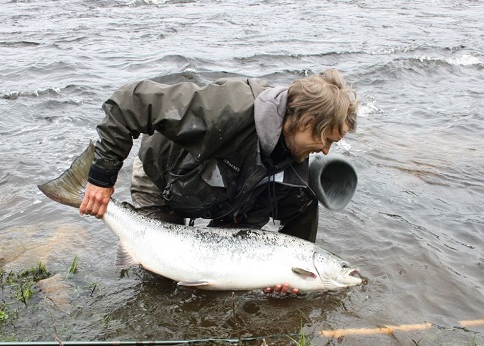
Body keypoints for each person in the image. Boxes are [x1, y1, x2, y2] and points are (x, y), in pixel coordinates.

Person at [79, 69, 358, 294]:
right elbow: (129, 101)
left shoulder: (296, 172)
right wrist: (101, 178)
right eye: (326, 140)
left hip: (224, 193)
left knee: (215, 288)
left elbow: (297, 243)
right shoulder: (227, 106)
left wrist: (289, 286)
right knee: (160, 279)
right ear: (305, 121)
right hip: (164, 176)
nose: (325, 151)